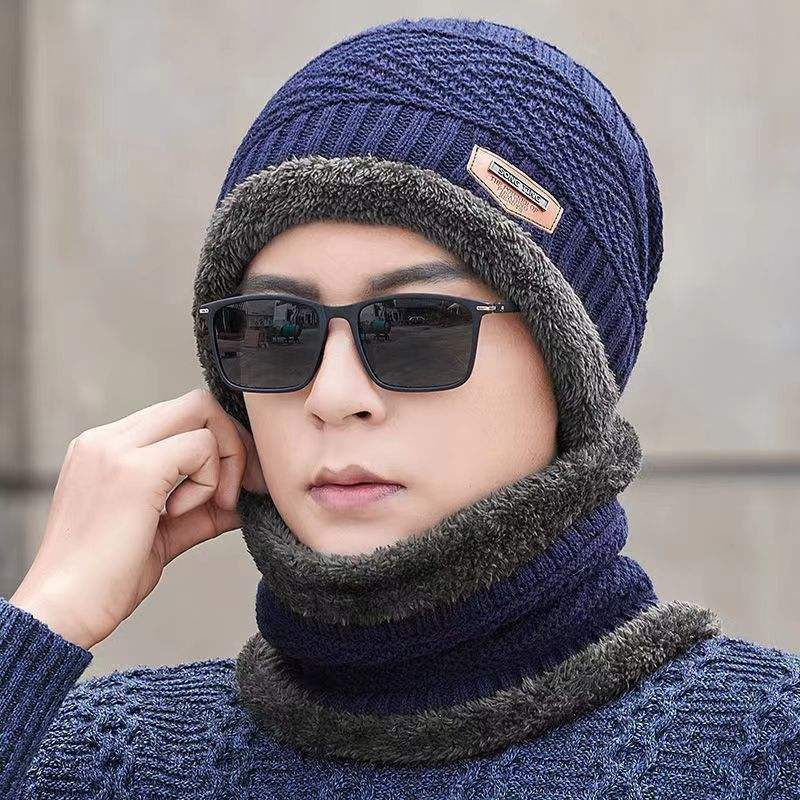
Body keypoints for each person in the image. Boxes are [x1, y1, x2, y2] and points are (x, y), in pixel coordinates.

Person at [1, 15, 798, 799]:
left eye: (416, 324)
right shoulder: (101, 758)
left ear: (569, 365)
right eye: (278, 329)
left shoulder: (767, 749)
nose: (334, 396)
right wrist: (46, 617)